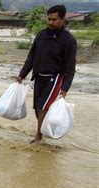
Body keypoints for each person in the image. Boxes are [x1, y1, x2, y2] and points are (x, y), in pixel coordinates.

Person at [17, 5, 77, 144]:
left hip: (54, 78)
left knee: (42, 107)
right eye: (49, 19)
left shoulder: (69, 40)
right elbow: (31, 57)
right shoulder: (41, 35)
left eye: (54, 20)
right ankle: (47, 129)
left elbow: (70, 67)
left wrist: (65, 89)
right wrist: (21, 75)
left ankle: (38, 137)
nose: (50, 22)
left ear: (62, 19)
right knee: (37, 109)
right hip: (39, 76)